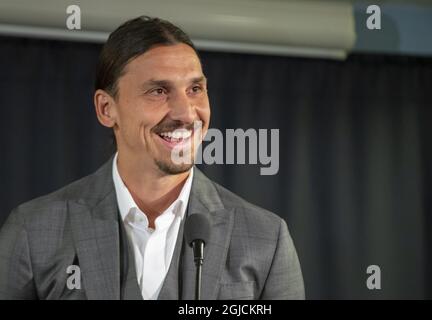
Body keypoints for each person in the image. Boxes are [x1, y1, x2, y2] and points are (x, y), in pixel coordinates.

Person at [0, 16, 304, 300]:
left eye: (195, 89)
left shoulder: (267, 239)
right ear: (107, 109)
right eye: (158, 91)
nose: (186, 113)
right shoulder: (32, 231)